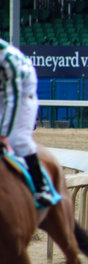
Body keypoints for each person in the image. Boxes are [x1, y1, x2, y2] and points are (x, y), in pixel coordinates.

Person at [0, 38, 53, 206]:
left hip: (22, 92)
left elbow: (12, 99)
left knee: (19, 140)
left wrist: (4, 134)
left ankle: (41, 186)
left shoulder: (7, 59)